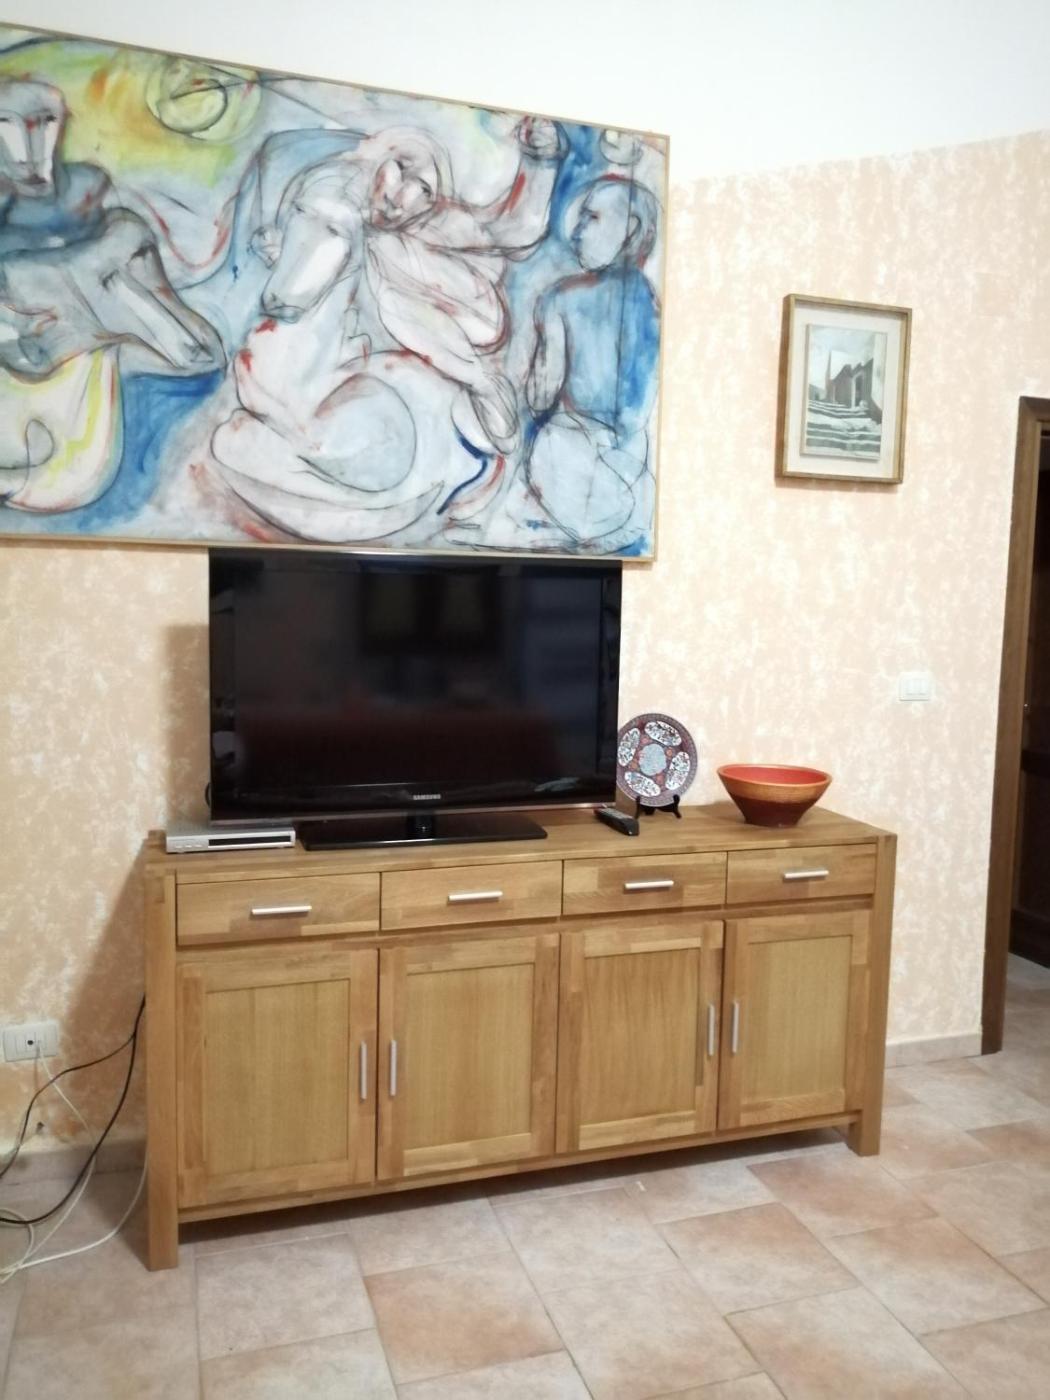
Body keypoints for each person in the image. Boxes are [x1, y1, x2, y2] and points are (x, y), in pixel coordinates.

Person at [523, 174, 661, 545]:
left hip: (568, 468)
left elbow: (540, 397)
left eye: (592, 218)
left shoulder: (561, 299)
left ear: (631, 231)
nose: (576, 232)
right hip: (633, 479)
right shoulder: (655, 306)